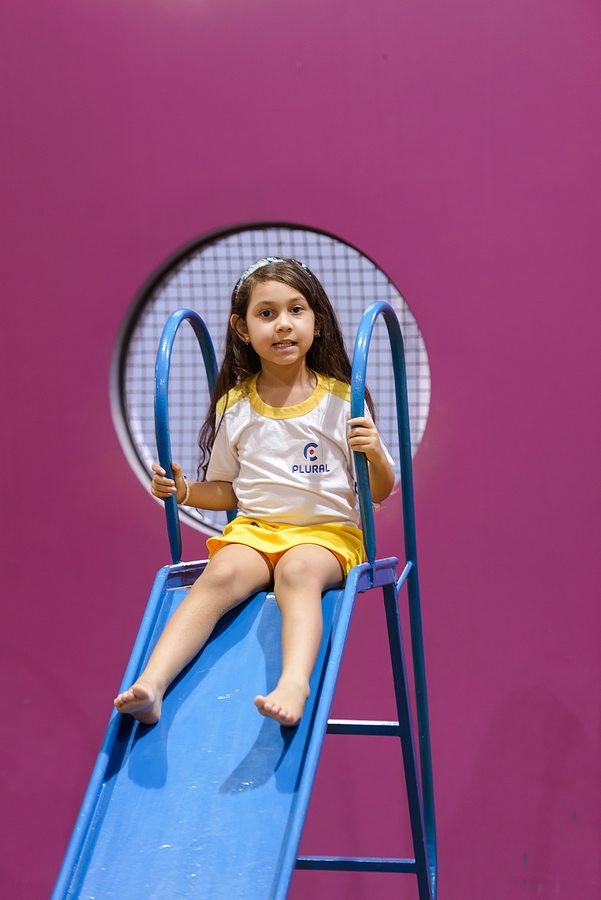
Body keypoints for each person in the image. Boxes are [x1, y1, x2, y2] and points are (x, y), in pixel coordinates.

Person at [114, 257, 395, 727]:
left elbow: (379, 492)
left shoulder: (342, 400)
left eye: (296, 310)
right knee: (220, 573)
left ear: (316, 322)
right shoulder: (236, 405)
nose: (283, 324)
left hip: (327, 537)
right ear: (242, 329)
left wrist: (377, 457)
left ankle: (294, 684)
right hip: (256, 532)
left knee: (298, 571)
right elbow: (227, 490)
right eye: (266, 313)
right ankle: (153, 684)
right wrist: (185, 491)